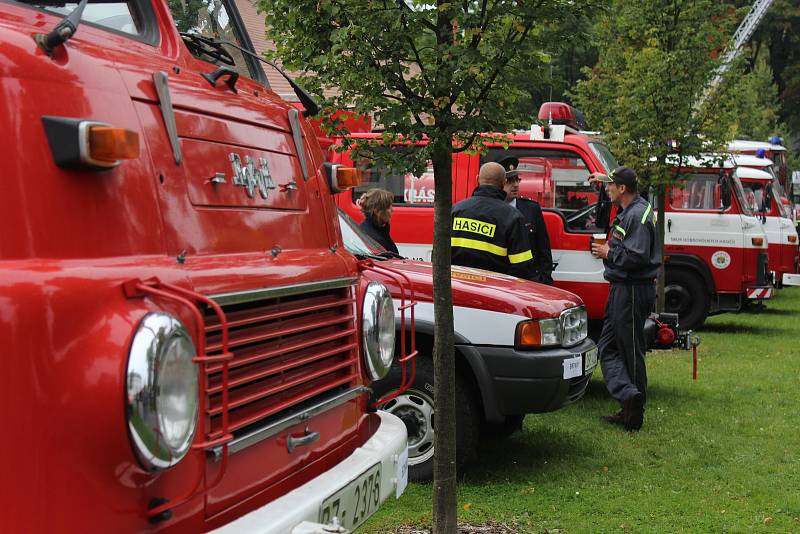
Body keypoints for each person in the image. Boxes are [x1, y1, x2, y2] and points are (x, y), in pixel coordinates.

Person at [589, 166, 661, 432]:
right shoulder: (631, 210)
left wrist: (609, 253)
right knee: (607, 347)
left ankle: (634, 412)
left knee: (630, 350)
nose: (607, 189)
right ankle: (628, 395)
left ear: (621, 189)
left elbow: (636, 257)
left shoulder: (638, 215)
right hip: (621, 288)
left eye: (610, 185)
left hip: (632, 289)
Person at [451, 162, 536, 280]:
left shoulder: (455, 210)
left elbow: (439, 256)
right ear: (504, 182)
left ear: (477, 179)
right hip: (493, 291)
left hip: (458, 287)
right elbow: (523, 267)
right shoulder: (512, 216)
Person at [499, 156, 554, 285]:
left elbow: (544, 249)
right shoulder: (492, 209)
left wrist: (543, 279)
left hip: (529, 281)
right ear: (499, 183)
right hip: (501, 281)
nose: (516, 185)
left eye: (517, 180)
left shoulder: (531, 208)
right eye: (510, 181)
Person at [356, 188, 399, 255]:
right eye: (388, 207)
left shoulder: (381, 229)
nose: (392, 210)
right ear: (377, 211)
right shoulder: (373, 240)